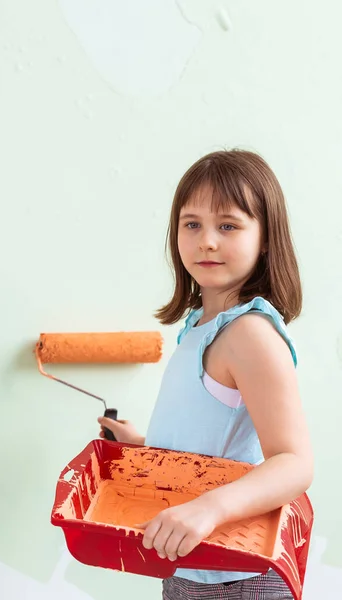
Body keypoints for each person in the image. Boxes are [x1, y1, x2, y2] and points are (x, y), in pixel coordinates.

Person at [98, 149, 313, 599]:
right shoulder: (197, 326)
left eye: (228, 226)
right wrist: (144, 447)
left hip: (237, 575)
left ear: (266, 238)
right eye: (191, 224)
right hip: (188, 561)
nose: (206, 241)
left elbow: (294, 464)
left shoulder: (250, 334)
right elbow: (218, 439)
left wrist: (207, 510)